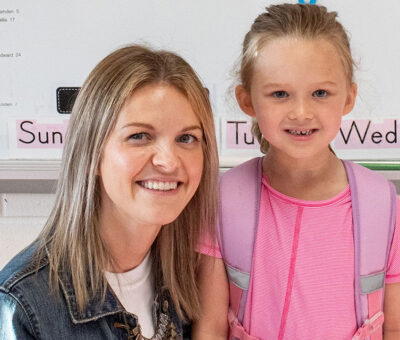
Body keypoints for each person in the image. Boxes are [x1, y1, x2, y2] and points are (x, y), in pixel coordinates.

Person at [193, 4, 400, 340]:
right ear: (247, 101)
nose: (301, 112)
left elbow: (394, 327)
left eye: (320, 93)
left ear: (348, 97)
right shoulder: (223, 200)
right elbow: (210, 328)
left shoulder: (383, 205)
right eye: (280, 94)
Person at [0, 44, 219, 339]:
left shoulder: (194, 277)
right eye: (139, 136)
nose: (168, 161)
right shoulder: (24, 305)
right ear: (91, 154)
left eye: (187, 138)